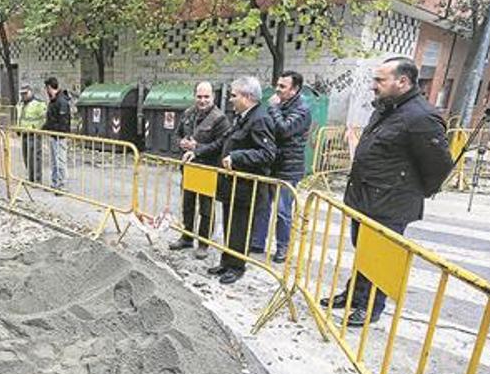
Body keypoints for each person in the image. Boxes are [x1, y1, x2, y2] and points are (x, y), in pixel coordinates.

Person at [324, 57, 452, 326]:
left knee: (381, 256)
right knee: (364, 251)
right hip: (366, 198)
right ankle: (355, 296)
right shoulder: (386, 108)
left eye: (380, 80)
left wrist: (412, 192)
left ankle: (371, 307)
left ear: (402, 82)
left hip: (391, 202)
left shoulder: (420, 117)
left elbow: (439, 165)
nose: (374, 85)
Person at [192, 76, 276, 284]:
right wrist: (198, 152)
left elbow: (267, 153)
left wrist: (237, 157)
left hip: (247, 187)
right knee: (230, 224)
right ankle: (226, 261)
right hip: (233, 185)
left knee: (240, 227)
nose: (230, 99)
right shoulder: (243, 117)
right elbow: (223, 142)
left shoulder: (260, 119)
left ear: (247, 97)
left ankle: (237, 267)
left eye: (233, 95)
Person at [249, 70, 312, 263]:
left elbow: (284, 130)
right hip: (272, 164)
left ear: (295, 89)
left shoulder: (302, 109)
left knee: (283, 211)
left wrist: (274, 109)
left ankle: (283, 247)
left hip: (289, 168)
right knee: (262, 205)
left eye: (283, 86)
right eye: (277, 85)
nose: (277, 89)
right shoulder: (281, 104)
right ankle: (257, 243)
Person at [170, 81, 231, 260]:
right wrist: (181, 143)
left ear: (213, 97)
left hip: (207, 169)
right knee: (187, 205)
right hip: (189, 168)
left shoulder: (220, 119)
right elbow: (177, 134)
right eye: (199, 96)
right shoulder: (188, 114)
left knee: (206, 208)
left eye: (206, 97)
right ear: (194, 96)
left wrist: (197, 149)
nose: (202, 100)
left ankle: (203, 243)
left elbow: (222, 144)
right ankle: (187, 237)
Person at [41, 76, 70, 191]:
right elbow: (51, 120)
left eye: (46, 89)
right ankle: (54, 183)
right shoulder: (53, 101)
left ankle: (62, 185)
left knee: (60, 161)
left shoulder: (61, 101)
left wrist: (51, 129)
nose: (46, 91)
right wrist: (43, 129)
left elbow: (63, 122)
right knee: (54, 161)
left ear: (49, 87)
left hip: (60, 136)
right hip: (53, 135)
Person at [17, 84, 47, 183]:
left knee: (35, 158)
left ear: (30, 92)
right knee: (27, 157)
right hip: (24, 133)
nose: (24, 96)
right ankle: (30, 177)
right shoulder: (21, 104)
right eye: (22, 94)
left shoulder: (38, 104)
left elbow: (44, 118)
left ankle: (37, 179)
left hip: (34, 134)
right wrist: (18, 129)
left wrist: (37, 128)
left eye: (25, 93)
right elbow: (20, 118)